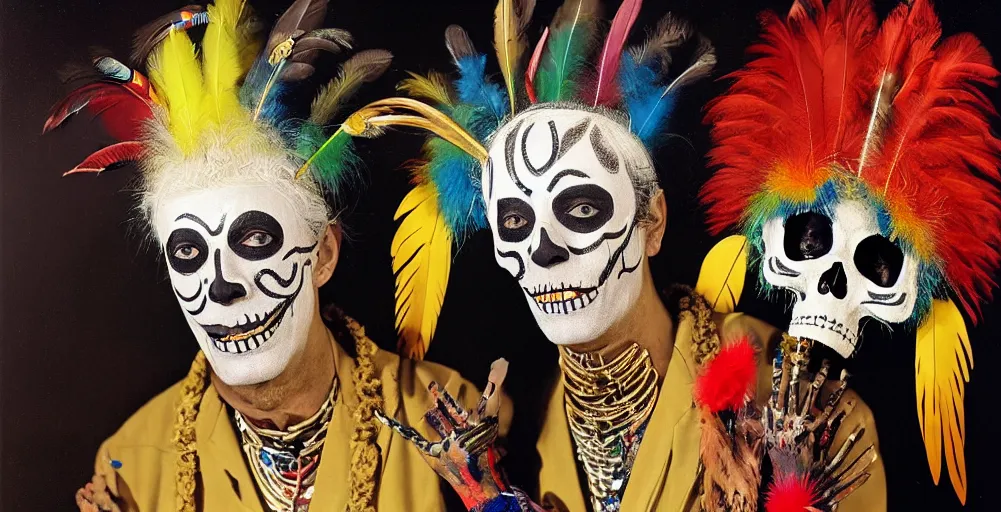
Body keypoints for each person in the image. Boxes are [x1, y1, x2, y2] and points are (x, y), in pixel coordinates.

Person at [338, 0, 884, 510]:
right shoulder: (517, 428)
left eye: (580, 210)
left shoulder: (795, 406)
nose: (544, 249)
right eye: (515, 222)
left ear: (652, 223)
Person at [47, 1, 505, 511]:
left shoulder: (456, 425)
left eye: (256, 241)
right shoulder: (132, 465)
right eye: (189, 253)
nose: (222, 284)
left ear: (323, 254)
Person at [700, 0, 1001, 506]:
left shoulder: (855, 433)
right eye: (808, 242)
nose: (830, 283)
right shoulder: (722, 350)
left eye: (881, 266)